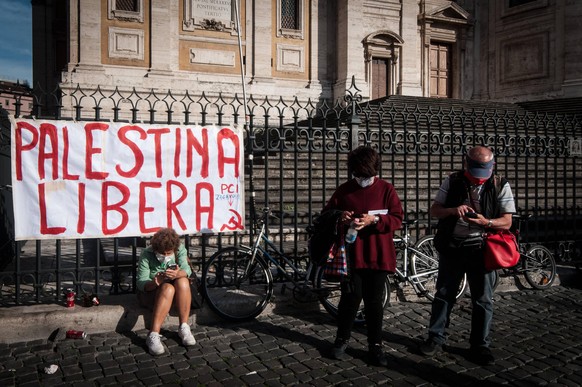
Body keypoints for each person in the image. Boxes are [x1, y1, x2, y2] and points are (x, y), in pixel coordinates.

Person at [419, 146, 516, 365]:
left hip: (482, 249)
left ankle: (480, 345)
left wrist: (486, 222)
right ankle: (436, 337)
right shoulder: (452, 181)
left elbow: (507, 221)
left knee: (482, 298)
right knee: (444, 293)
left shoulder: (500, 184)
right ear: (466, 164)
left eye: (484, 172)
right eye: (475, 173)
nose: (479, 179)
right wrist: (454, 210)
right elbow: (435, 210)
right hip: (453, 246)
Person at [323, 146, 403, 366]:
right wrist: (341, 216)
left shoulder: (387, 189)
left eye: (365, 175)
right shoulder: (344, 190)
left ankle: (375, 345)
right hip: (352, 254)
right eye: (357, 175)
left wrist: (374, 220)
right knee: (350, 298)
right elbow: (327, 214)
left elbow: (397, 219)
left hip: (378, 253)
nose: (361, 179)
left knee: (374, 302)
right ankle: (341, 339)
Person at [136, 227, 197, 355]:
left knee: (183, 281)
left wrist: (178, 273)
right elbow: (141, 283)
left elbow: (187, 270)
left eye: (169, 253)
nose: (165, 256)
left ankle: (184, 327)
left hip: (177, 294)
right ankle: (153, 334)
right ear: (156, 249)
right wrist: (155, 282)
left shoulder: (180, 249)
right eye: (162, 253)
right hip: (153, 294)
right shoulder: (147, 254)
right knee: (167, 288)